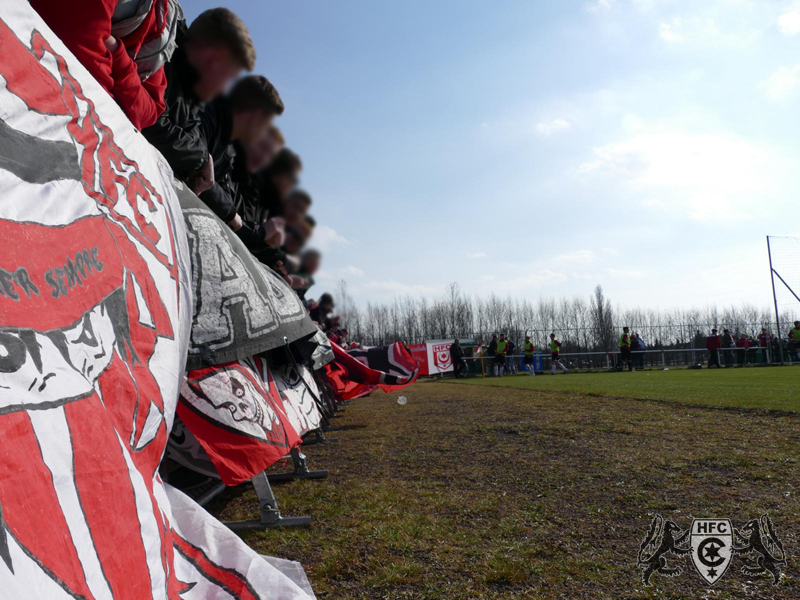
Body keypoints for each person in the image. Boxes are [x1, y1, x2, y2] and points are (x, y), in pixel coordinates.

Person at [143, 8, 255, 193]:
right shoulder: (161, 55)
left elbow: (192, 136)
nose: (223, 86)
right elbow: (150, 120)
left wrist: (199, 162)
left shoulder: (192, 91)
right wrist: (201, 160)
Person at [31, 0, 183, 130]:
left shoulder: (163, 17)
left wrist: (118, 56)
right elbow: (77, 40)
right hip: (34, 86)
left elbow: (149, 112)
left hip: (66, 116)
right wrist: (124, 93)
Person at [197, 75, 284, 228]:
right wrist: (230, 214)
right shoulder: (208, 115)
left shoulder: (229, 150)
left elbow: (226, 200)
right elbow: (193, 165)